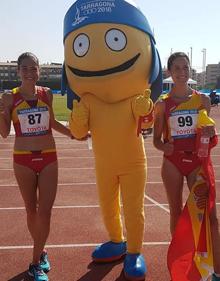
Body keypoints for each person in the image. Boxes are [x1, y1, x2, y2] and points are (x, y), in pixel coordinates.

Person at [0, 52, 74, 281]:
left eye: (34, 68)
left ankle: (34, 263)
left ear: (39, 71)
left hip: (49, 156)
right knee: (31, 210)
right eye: (25, 68)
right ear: (18, 71)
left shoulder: (47, 94)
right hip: (23, 159)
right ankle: (41, 251)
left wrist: (74, 134)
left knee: (46, 211)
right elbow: (4, 133)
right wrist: (1, 111)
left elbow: (51, 122)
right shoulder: (10, 97)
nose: (30, 72)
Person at [153, 52, 220, 281]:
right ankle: (181, 265)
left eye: (186, 68)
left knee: (208, 214)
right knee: (176, 211)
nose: (182, 72)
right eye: (177, 69)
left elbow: (205, 133)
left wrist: (211, 133)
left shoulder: (203, 100)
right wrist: (164, 148)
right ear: (170, 73)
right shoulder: (162, 105)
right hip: (173, 163)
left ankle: (214, 268)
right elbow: (156, 140)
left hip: (196, 162)